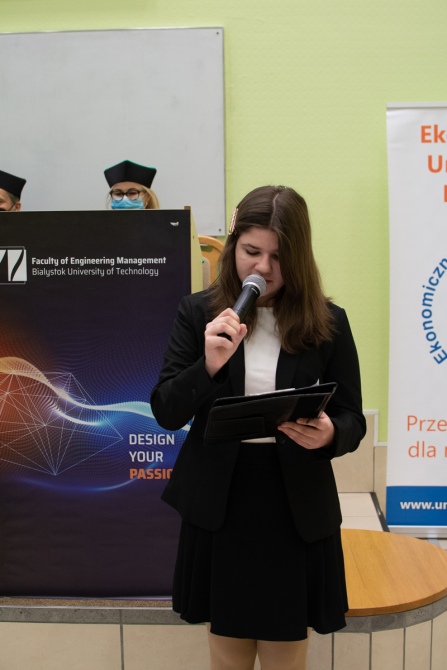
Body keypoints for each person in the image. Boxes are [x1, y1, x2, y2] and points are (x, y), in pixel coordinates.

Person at [150, 185, 366, 670]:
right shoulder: (198, 313)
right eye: (251, 251)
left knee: (286, 646)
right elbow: (166, 411)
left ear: (299, 257)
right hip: (221, 499)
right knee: (227, 646)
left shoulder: (329, 322)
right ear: (233, 247)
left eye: (278, 256)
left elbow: (352, 418)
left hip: (294, 500)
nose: (263, 268)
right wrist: (207, 365)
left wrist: (331, 434)